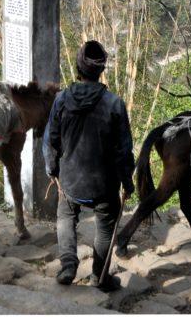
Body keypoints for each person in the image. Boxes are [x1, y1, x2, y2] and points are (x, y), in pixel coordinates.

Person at [42, 40, 135, 291]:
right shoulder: (114, 104)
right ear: (100, 70)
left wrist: (52, 169)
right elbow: (124, 150)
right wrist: (127, 182)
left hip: (70, 179)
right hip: (104, 184)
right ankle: (99, 276)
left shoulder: (61, 100)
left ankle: (68, 265)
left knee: (65, 216)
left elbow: (51, 139)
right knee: (105, 226)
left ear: (77, 68)